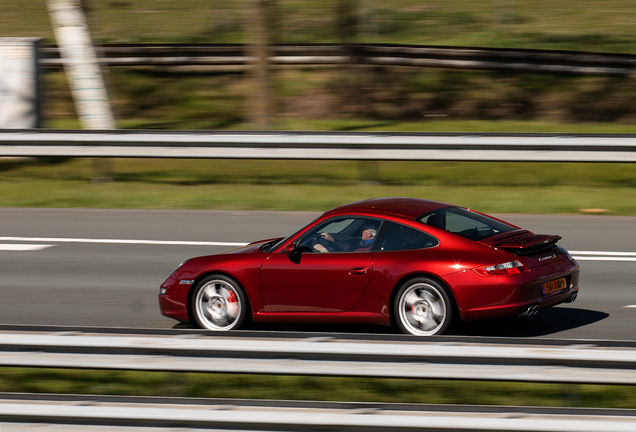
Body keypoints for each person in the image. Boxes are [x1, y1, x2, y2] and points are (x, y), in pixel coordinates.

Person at [313, 225, 377, 252]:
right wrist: (332, 240)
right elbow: (351, 249)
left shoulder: (368, 247)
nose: (361, 231)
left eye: (362, 229)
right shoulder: (373, 244)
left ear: (369, 234)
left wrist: (323, 250)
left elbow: (337, 263)